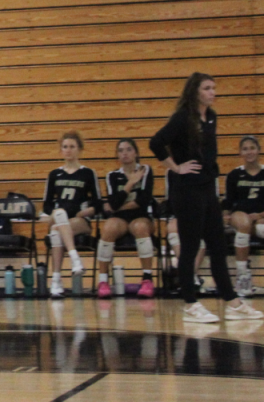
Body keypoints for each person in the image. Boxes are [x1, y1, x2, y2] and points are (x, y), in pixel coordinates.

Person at [149, 72, 261, 323]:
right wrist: (175, 167)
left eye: (214, 88)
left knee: (218, 246)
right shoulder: (182, 118)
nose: (213, 92)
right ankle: (190, 303)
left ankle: (231, 301)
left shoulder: (211, 117)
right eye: (208, 88)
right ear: (195, 92)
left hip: (208, 188)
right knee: (190, 247)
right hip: (186, 190)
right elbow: (156, 142)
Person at [41, 131, 100, 298]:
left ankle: (56, 281)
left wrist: (88, 211)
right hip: (59, 216)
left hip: (79, 220)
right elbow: (46, 204)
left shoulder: (88, 173)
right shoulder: (54, 174)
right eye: (65, 147)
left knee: (55, 232)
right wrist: (52, 213)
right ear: (61, 150)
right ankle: (75, 260)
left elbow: (98, 203)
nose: (68, 150)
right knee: (59, 214)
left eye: (72, 147)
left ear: (79, 149)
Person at [96, 138, 156, 298]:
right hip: (121, 220)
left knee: (140, 227)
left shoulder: (146, 170)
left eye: (129, 149)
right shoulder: (112, 176)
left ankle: (147, 279)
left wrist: (118, 205)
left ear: (136, 152)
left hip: (141, 216)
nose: (125, 153)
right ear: (117, 155)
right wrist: (130, 183)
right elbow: (113, 203)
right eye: (121, 150)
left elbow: (142, 201)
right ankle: (103, 281)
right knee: (108, 227)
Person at [223, 135, 264, 297]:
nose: (249, 152)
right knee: (244, 222)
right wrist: (225, 216)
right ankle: (242, 275)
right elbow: (228, 202)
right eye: (245, 149)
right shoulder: (234, 175)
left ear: (259, 150)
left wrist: (260, 215)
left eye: (252, 148)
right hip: (239, 216)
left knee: (259, 227)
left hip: (260, 217)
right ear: (240, 152)